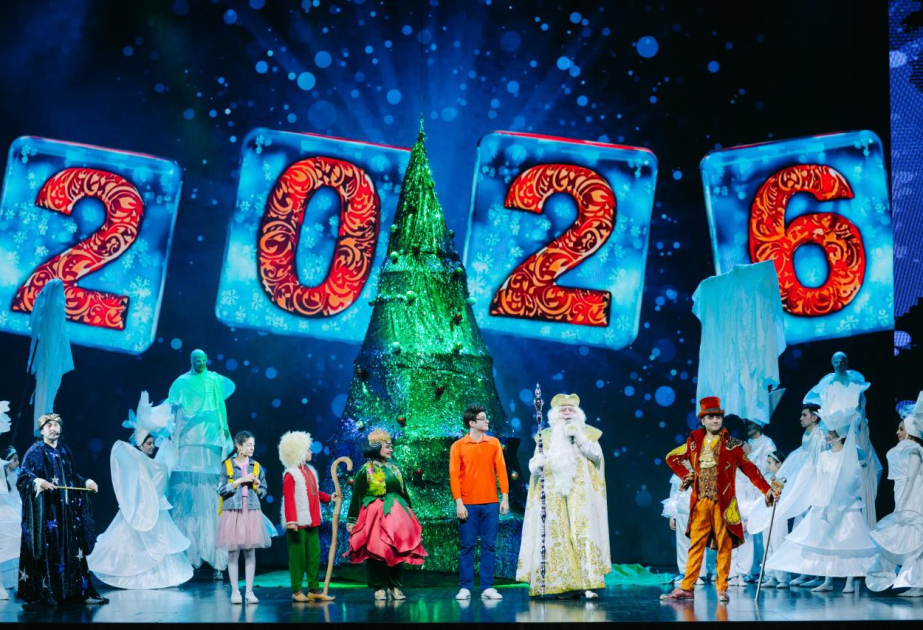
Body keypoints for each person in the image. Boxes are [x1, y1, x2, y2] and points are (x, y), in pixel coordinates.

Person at [765, 381, 879, 593]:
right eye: (827, 432)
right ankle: (827, 580)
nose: (827, 435)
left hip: (845, 504)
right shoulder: (825, 456)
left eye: (831, 432)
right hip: (825, 501)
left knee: (848, 542)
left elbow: (854, 474)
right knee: (826, 542)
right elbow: (816, 478)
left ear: (839, 434)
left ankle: (849, 581)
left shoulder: (848, 455)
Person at [660, 397, 776, 603]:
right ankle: (687, 587)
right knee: (696, 545)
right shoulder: (694, 442)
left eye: (718, 417)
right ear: (703, 420)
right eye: (711, 417)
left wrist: (767, 490)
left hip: (723, 502)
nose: (715, 420)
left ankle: (722, 588)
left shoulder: (732, 445)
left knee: (724, 544)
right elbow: (671, 457)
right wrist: (687, 476)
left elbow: (750, 469)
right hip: (701, 503)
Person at [87, 392, 193, 589]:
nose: (152, 447)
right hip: (139, 508)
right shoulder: (137, 462)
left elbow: (167, 457)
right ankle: (131, 574)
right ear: (141, 445)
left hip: (157, 508)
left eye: (152, 443)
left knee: (160, 541)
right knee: (129, 540)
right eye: (149, 444)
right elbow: (125, 458)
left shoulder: (156, 464)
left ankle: (159, 576)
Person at [517, 393, 611, 598]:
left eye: (571, 409)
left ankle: (587, 583)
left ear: (578, 413)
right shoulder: (545, 436)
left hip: (582, 494)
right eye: (563, 410)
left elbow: (596, 456)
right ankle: (560, 584)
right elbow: (534, 463)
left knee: (583, 534)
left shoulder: (588, 434)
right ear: (555, 414)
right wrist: (537, 464)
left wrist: (579, 438)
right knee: (556, 535)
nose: (567, 413)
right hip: (554, 493)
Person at [17, 413, 108, 609]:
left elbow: (72, 476)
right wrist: (38, 482)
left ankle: (79, 592)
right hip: (48, 514)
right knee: (50, 552)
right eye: (49, 425)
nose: (53, 428)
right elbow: (24, 477)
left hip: (67, 514)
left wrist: (86, 482)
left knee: (74, 551)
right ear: (42, 430)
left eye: (56, 425)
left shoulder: (64, 450)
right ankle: (50, 593)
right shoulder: (35, 452)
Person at [168, 349, 235, 577]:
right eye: (198, 360)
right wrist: (173, 435)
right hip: (189, 440)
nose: (202, 363)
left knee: (210, 493)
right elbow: (174, 409)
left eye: (205, 360)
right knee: (187, 496)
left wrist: (225, 425)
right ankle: (186, 557)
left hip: (209, 438)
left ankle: (217, 558)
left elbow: (220, 403)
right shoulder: (181, 381)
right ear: (191, 361)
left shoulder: (214, 379)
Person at [346, 429, 427, 601]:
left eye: (391, 446)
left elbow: (404, 493)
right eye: (387, 446)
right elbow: (357, 497)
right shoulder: (366, 470)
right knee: (376, 551)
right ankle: (378, 587)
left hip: (396, 514)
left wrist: (410, 515)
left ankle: (394, 586)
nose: (391, 449)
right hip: (374, 516)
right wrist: (352, 520)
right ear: (376, 448)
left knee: (397, 550)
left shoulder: (395, 469)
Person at [804, 351, 882, 530]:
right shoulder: (827, 383)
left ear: (847, 363)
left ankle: (863, 521)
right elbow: (825, 407)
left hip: (854, 431)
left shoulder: (854, 382)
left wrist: (857, 428)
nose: (839, 364)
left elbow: (860, 409)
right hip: (834, 433)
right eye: (835, 361)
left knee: (860, 470)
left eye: (842, 361)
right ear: (832, 363)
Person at [450, 403, 510, 601]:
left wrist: (505, 497)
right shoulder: (458, 446)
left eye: (486, 418)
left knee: (489, 545)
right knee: (467, 545)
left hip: (491, 503)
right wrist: (459, 502)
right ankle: (465, 587)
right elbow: (454, 475)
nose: (487, 421)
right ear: (472, 423)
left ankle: (487, 587)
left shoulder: (493, 443)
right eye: (483, 419)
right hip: (468, 504)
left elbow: (501, 470)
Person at [866, 393, 923, 597]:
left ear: (911, 430)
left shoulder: (914, 450)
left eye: (901, 428)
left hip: (913, 497)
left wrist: (904, 503)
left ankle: (916, 583)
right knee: (907, 538)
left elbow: (912, 478)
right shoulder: (905, 449)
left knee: (915, 537)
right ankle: (911, 580)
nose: (897, 432)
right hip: (902, 495)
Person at [278, 431, 339, 602]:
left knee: (314, 556)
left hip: (313, 520)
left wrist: (329, 497)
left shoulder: (310, 471)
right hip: (298, 523)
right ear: (298, 451)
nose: (311, 452)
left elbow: (314, 492)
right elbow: (289, 498)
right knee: (298, 557)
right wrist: (291, 521)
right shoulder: (291, 473)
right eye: (307, 449)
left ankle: (314, 589)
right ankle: (297, 590)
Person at [216, 430, 272, 605]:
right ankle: (235, 592)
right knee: (233, 552)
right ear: (239, 446)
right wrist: (239, 481)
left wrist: (256, 487)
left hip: (251, 511)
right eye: (249, 445)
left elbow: (263, 491)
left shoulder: (256, 466)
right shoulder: (227, 465)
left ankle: (249, 591)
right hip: (233, 511)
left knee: (250, 551)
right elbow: (220, 489)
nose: (252, 448)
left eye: (253, 445)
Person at [662, 474, 707, 585]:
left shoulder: (700, 472)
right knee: (682, 543)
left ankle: (698, 574)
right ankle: (685, 573)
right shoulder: (677, 475)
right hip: (681, 513)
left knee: (698, 543)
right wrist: (671, 515)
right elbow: (673, 496)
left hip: (698, 512)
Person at [759, 451, 790, 589]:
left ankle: (783, 578)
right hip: (767, 515)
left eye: (770, 462)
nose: (767, 465)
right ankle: (771, 576)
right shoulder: (768, 478)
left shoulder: (784, 477)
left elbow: (778, 495)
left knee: (778, 544)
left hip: (778, 517)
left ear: (779, 464)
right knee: (768, 546)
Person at [0, 404, 19, 597]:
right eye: (14, 459)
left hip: (13, 508)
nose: (17, 462)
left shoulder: (15, 476)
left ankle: (17, 579)